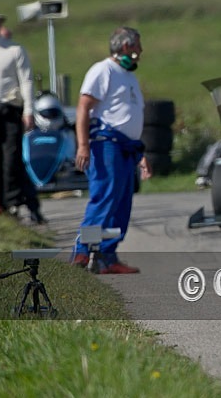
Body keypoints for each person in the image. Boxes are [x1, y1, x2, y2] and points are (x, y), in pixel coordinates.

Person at [72, 27, 151, 273]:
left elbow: (128, 116)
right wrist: (83, 145)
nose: (140, 50)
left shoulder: (128, 75)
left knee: (121, 203)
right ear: (126, 46)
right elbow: (84, 107)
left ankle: (107, 256)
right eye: (137, 45)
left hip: (127, 149)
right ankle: (82, 253)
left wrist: (141, 154)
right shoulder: (103, 70)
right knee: (104, 199)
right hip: (106, 145)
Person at [0, 7, 46, 222]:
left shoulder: (13, 50)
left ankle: (14, 202)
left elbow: (26, 80)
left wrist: (29, 110)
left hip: (9, 109)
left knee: (10, 158)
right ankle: (1, 202)